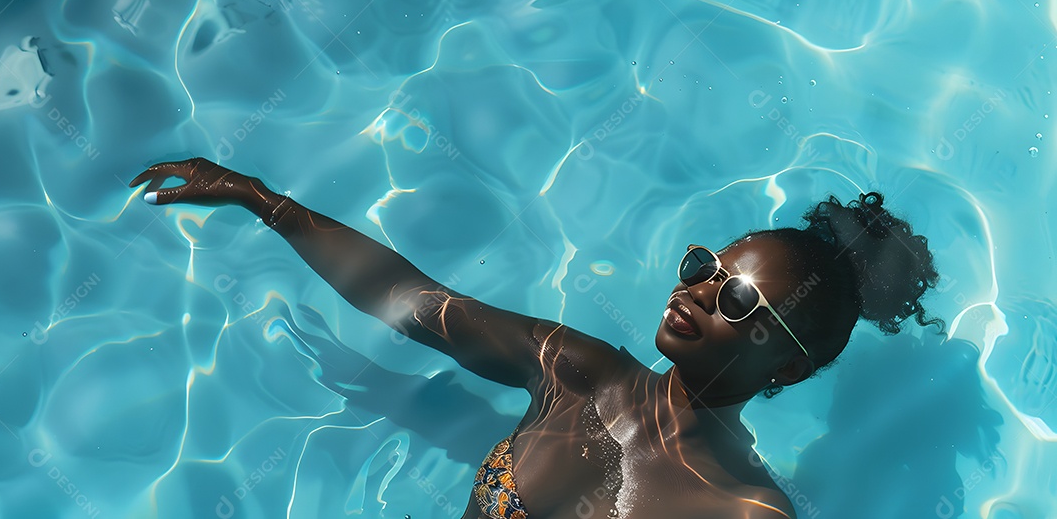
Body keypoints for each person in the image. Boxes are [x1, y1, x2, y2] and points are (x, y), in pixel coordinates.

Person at [130, 157, 946, 519]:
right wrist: (260, 198)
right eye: (703, 264)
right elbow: (414, 302)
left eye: (733, 297)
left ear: (787, 367)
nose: (694, 288)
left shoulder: (744, 508)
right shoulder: (579, 372)